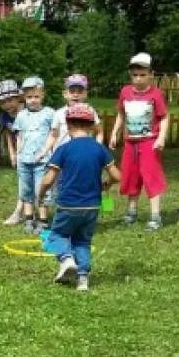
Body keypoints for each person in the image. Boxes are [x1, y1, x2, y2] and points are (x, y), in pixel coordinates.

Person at [37, 104, 120, 292]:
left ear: (68, 124)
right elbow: (117, 176)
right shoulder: (99, 150)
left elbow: (49, 179)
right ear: (91, 126)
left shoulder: (64, 149)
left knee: (56, 236)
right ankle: (83, 280)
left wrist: (41, 195)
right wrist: (107, 184)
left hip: (68, 204)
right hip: (92, 206)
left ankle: (66, 260)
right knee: (82, 241)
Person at [109, 53, 169, 231]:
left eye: (143, 75)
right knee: (131, 176)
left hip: (149, 143)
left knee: (151, 176)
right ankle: (132, 212)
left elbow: (164, 116)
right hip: (130, 143)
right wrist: (114, 133)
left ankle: (155, 216)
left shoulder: (156, 94)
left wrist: (161, 137)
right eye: (135, 75)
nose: (138, 79)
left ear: (151, 74)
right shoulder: (125, 92)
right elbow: (121, 113)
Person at [10, 76, 55, 233]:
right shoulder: (21, 115)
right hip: (25, 160)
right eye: (29, 97)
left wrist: (45, 151)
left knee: (41, 191)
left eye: (36, 96)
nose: (33, 100)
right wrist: (18, 153)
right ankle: (29, 220)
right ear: (24, 97)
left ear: (43, 95)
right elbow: (19, 135)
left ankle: (43, 221)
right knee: (26, 191)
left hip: (42, 161)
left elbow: (53, 134)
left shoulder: (49, 113)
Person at [43, 74, 103, 156]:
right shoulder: (59, 113)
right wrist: (44, 152)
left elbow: (99, 131)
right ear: (65, 94)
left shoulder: (89, 110)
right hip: (62, 156)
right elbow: (53, 135)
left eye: (80, 92)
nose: (76, 95)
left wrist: (97, 148)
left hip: (83, 154)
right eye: (72, 91)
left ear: (85, 94)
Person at [0, 80, 25, 225]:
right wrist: (12, 154)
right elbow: (8, 134)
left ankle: (22, 213)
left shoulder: (28, 112)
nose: (7, 105)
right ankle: (20, 212)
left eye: (10, 100)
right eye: (2, 102)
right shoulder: (4, 116)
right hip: (20, 153)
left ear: (19, 97)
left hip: (35, 151)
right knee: (24, 182)